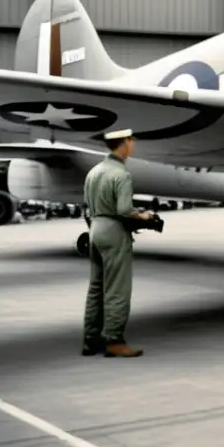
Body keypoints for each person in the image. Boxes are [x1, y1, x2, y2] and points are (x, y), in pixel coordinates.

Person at [82, 129, 154, 358]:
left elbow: (87, 204)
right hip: (114, 231)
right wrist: (144, 217)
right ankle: (114, 341)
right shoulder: (121, 173)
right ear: (124, 143)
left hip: (95, 228)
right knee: (117, 289)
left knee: (96, 288)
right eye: (131, 141)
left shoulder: (94, 171)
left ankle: (90, 341)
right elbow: (124, 210)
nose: (133, 145)